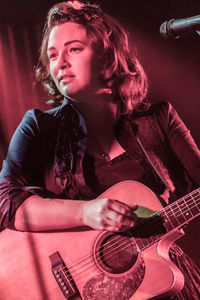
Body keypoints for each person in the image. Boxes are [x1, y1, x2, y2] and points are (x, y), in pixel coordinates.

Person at [0, 1, 200, 299]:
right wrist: (87, 211)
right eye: (53, 55)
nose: (60, 63)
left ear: (107, 57)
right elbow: (5, 203)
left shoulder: (160, 118)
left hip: (163, 284)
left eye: (74, 49)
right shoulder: (38, 127)